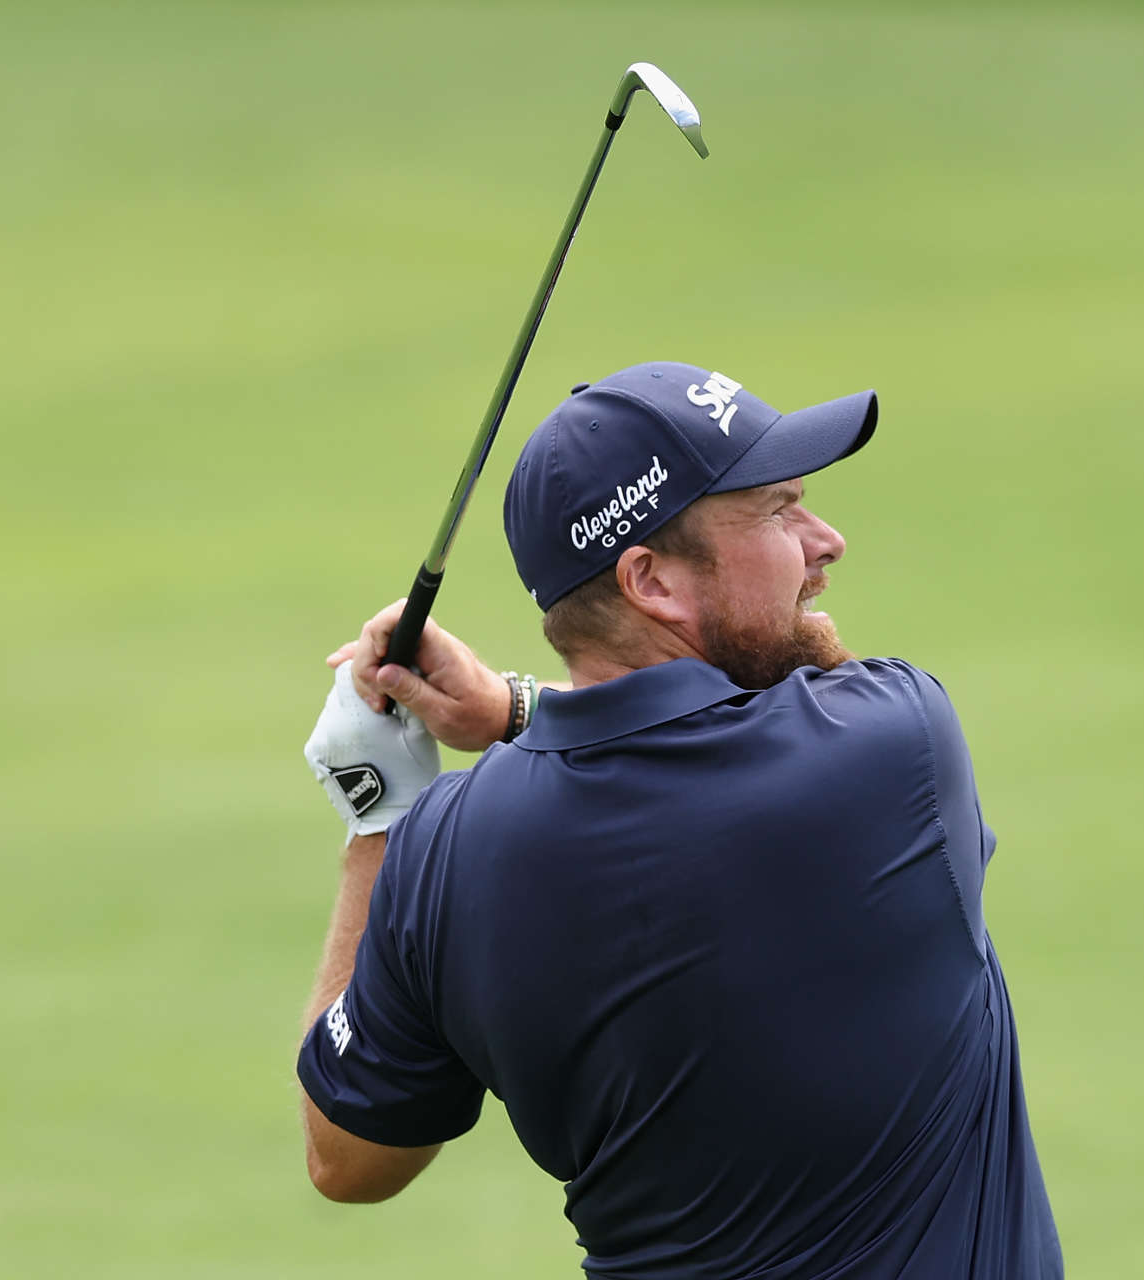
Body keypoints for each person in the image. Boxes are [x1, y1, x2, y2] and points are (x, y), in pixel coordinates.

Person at [296, 362, 1064, 1279]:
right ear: (651, 581)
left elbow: (346, 1158)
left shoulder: (442, 853)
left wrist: (380, 816)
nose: (826, 542)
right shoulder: (890, 743)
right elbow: (764, 704)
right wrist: (511, 708)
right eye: (778, 512)